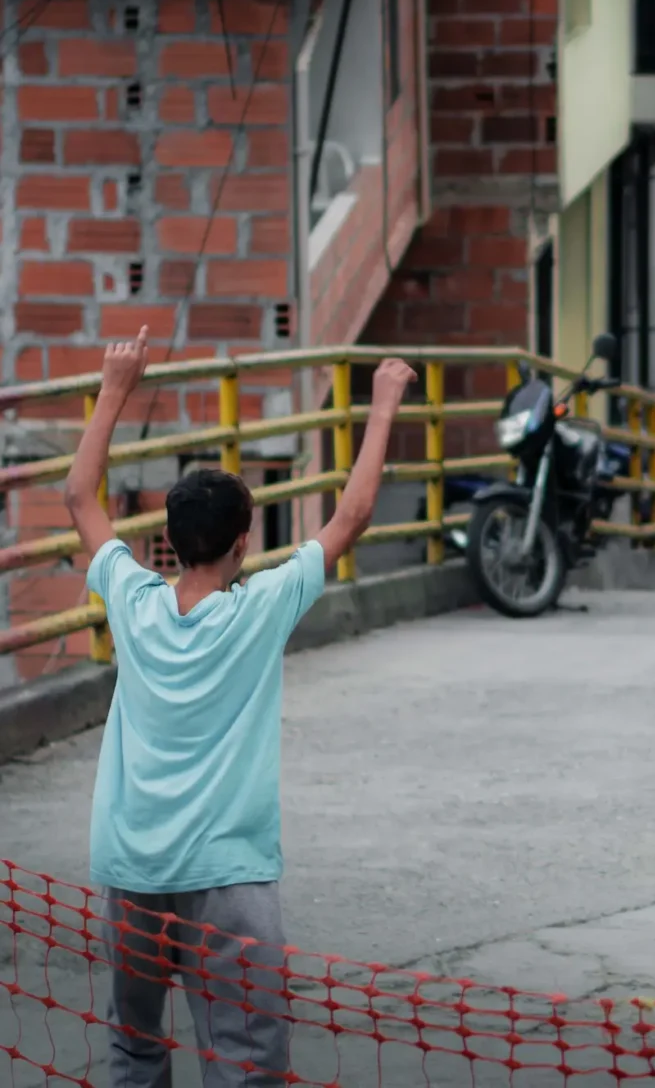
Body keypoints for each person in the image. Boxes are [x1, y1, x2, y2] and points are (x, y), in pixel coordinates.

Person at [63, 327, 416, 1087]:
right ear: (243, 543)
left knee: (134, 1045)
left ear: (167, 541)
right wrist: (381, 402)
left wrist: (115, 386)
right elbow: (349, 517)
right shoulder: (259, 608)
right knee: (245, 1061)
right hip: (228, 878)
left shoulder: (132, 599)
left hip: (132, 868)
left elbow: (76, 496)